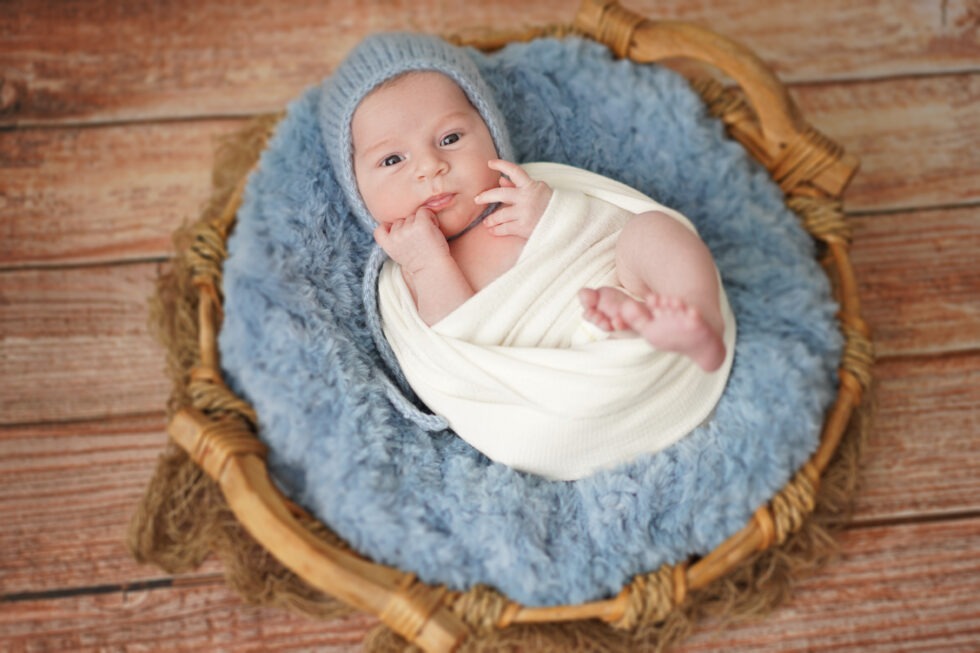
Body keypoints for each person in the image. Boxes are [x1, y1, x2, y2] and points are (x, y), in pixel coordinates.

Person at [319, 33, 736, 479]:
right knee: (538, 436)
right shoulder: (406, 275)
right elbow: (457, 350)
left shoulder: (530, 189)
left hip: (639, 307)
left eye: (451, 137)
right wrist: (426, 262)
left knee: (654, 231)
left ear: (492, 132)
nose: (429, 167)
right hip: (557, 396)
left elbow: (611, 228)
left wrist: (554, 215)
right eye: (392, 160)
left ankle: (695, 315)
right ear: (357, 190)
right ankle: (629, 324)